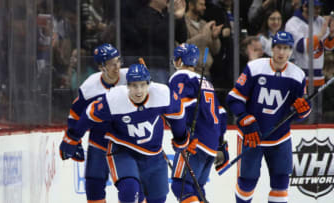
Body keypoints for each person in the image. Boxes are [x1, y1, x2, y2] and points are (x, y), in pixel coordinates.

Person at [60, 63, 191, 203]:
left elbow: (178, 115)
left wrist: (181, 138)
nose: (139, 90)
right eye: (134, 85)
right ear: (127, 85)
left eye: (142, 85)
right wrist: (72, 137)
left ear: (149, 84)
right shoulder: (114, 99)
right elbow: (89, 115)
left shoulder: (163, 95)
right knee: (129, 189)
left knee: (157, 199)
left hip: (153, 153)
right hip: (122, 148)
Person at [226, 31, 311, 203]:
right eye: (279, 47)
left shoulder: (298, 75)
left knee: (281, 183)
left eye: (286, 48)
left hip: (280, 138)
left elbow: (299, 113)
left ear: (291, 51)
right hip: (252, 136)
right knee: (247, 183)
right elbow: (234, 99)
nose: (282, 52)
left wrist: (303, 111)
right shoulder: (254, 68)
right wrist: (245, 119)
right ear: (272, 48)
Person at [59, 43, 127, 203]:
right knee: (93, 184)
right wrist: (73, 139)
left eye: (118, 61)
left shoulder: (130, 78)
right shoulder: (90, 87)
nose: (116, 67)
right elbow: (75, 114)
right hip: (100, 139)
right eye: (111, 63)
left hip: (126, 141)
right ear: (101, 67)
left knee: (131, 185)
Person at [169, 43, 229, 202]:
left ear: (180, 61)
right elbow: (221, 113)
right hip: (210, 143)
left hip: (194, 141)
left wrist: (182, 135)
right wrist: (221, 144)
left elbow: (179, 108)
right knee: (196, 188)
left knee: (180, 185)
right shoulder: (207, 83)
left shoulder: (180, 77)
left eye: (176, 59)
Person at [285, 0, 334, 123]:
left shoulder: (320, 21)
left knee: (317, 115)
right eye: (314, 7)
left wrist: (331, 33)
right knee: (301, 114)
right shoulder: (292, 23)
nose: (317, 10)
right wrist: (321, 34)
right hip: (300, 77)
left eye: (318, 8)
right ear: (304, 6)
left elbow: (328, 47)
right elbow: (301, 47)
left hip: (318, 77)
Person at [184, 0, 223, 79]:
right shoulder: (183, 22)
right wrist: (203, 35)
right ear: (191, 5)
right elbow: (184, 46)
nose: (204, 8)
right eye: (201, 5)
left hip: (205, 72)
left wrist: (215, 38)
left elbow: (215, 50)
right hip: (190, 72)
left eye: (204, 5)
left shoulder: (204, 24)